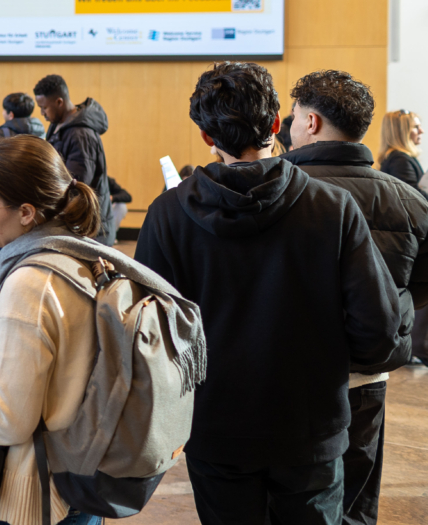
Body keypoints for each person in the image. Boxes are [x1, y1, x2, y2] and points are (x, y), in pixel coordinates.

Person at [134, 62, 405, 525]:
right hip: (310, 428)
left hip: (216, 430)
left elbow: (148, 336)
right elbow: (377, 330)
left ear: (205, 136)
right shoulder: (331, 207)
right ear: (277, 124)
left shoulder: (166, 216)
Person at [0, 135, 134, 525]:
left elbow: (8, 419)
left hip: (39, 493)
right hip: (83, 477)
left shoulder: (30, 284)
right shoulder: (81, 253)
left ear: (27, 212)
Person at [282, 70, 427, 525]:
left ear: (310, 122)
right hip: (368, 376)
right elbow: (419, 286)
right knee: (355, 504)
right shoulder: (407, 199)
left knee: (290, 500)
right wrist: (395, 307)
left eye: (292, 118)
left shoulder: (275, 193)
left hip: (288, 375)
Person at [33, 75, 114, 245]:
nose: (42, 114)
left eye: (44, 108)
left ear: (59, 102)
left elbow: (77, 185)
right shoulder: (58, 124)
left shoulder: (81, 134)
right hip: (76, 223)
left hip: (90, 228)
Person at [378, 109, 426, 198]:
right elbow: (413, 198)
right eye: (416, 127)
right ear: (402, 132)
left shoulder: (398, 158)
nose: (421, 131)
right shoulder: (400, 161)